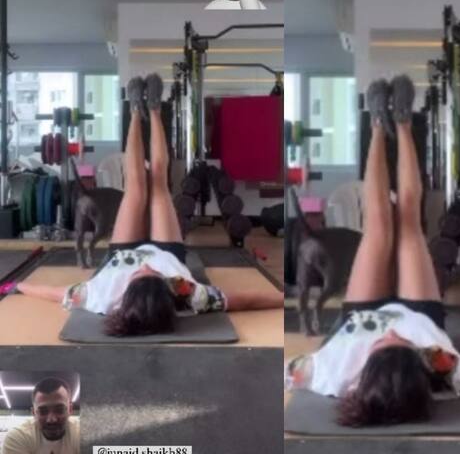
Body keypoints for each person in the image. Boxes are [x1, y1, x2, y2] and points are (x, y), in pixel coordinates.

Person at [285, 75, 460, 427]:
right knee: (408, 221)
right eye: (401, 342)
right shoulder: (449, 370)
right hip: (421, 314)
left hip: (358, 316)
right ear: (424, 363)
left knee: (377, 225)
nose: (390, 332)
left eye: (380, 343)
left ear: (357, 380)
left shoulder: (326, 373)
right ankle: (403, 122)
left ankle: (377, 123)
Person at [4, 74, 282, 336]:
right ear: (170, 290)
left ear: (122, 296)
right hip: (169, 253)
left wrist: (15, 285)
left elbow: (52, 293)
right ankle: (155, 109)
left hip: (121, 255)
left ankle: (136, 110)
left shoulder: (99, 296)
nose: (147, 267)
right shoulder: (189, 295)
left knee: (135, 188)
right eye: (155, 275)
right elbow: (245, 301)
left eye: (139, 275)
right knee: (158, 183)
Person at [2, 377, 80, 454]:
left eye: (59, 410)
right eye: (43, 411)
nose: (51, 419)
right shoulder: (17, 438)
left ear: (70, 409)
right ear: (34, 413)